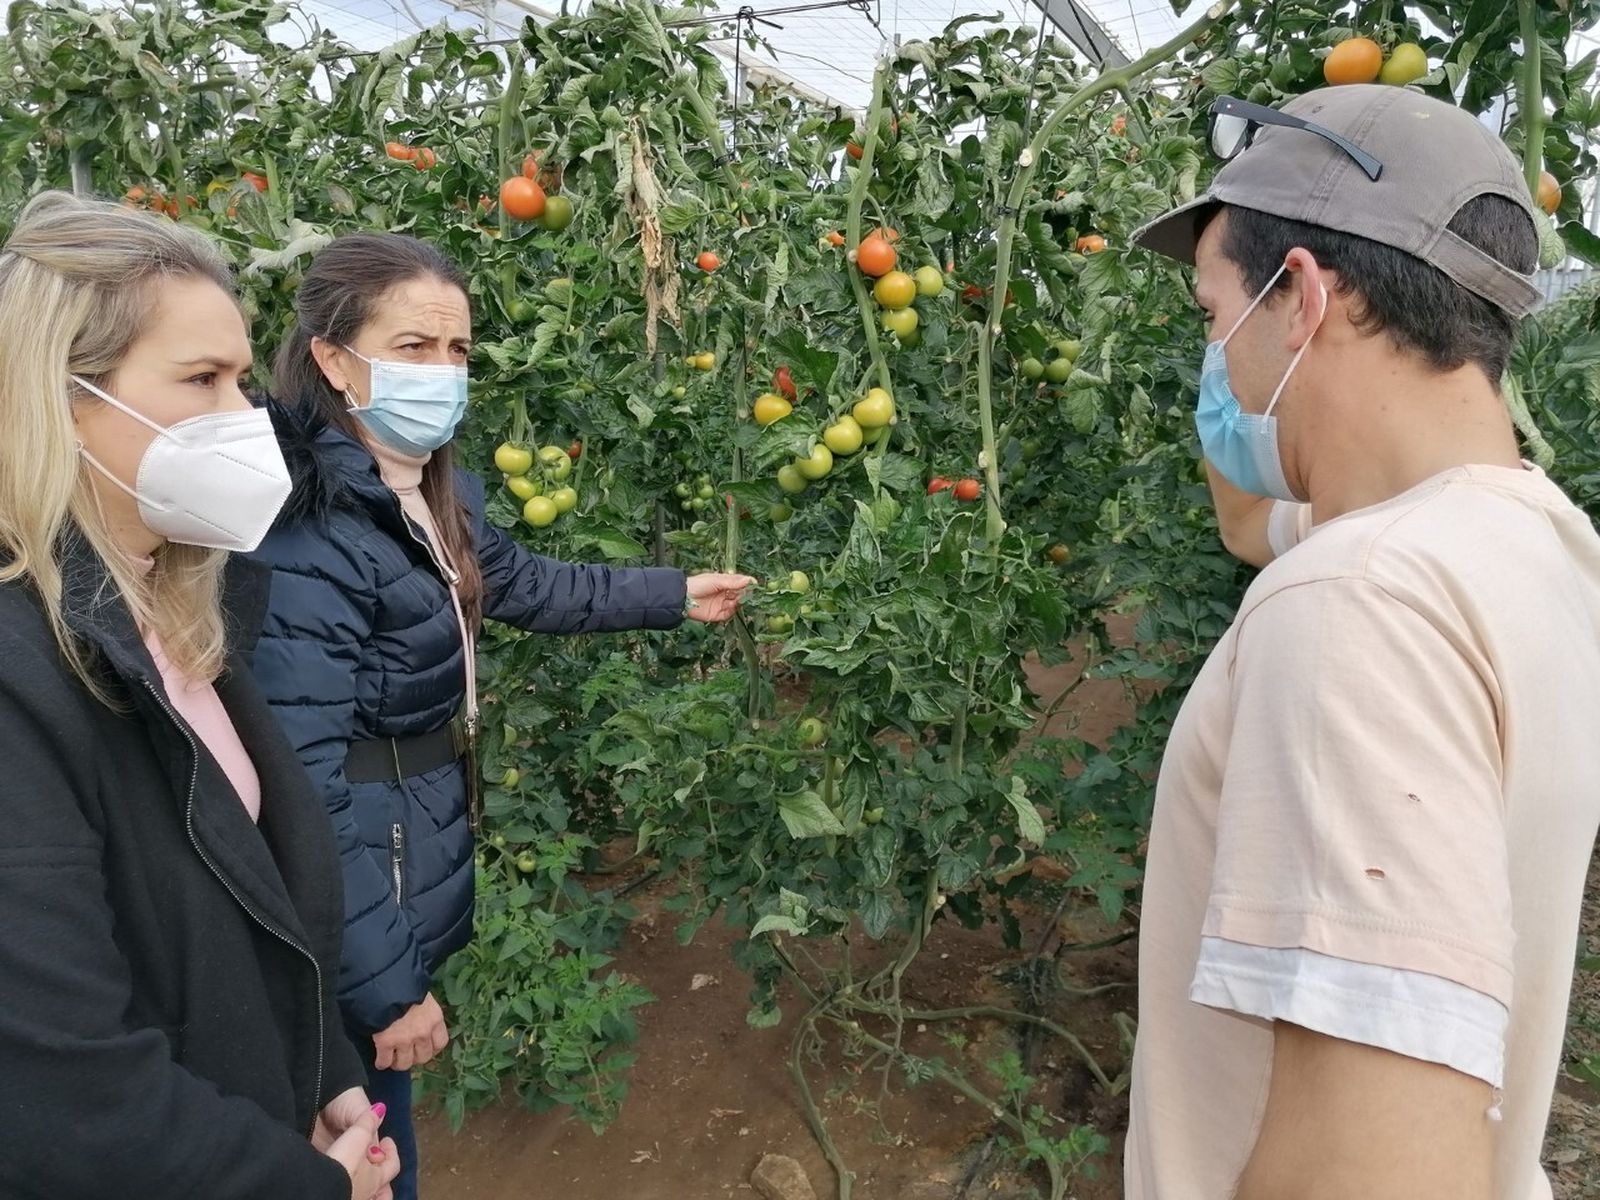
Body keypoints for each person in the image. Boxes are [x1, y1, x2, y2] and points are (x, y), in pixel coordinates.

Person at [1124, 85, 1600, 1199]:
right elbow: (1254, 526)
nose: (1212, 360)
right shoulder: (1537, 537)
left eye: (1210, 319)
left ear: (1299, 297)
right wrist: (1240, 415)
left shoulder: (1357, 606)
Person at [249, 231, 753, 1198]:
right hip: (359, 891)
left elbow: (522, 583)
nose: (442, 373)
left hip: (407, 854)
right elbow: (299, 786)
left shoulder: (424, 492)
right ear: (329, 357)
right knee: (359, 1139)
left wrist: (672, 592)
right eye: (411, 348)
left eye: (457, 352)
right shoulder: (308, 533)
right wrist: (386, 984)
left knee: (380, 1132)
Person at [0, 191, 399, 1198]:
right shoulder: (21, 676)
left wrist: (324, 1076)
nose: (246, 416)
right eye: (202, 378)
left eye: (240, 376)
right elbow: (65, 1096)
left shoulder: (178, 622)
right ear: (59, 397)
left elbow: (252, 909)